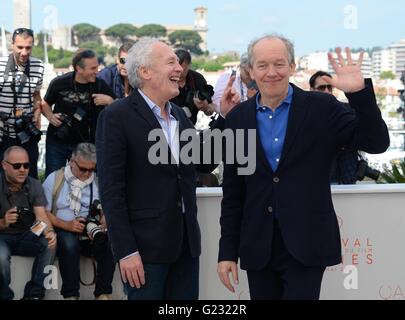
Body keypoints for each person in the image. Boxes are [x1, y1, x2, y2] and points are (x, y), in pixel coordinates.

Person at [217, 34, 390, 300]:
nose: (271, 72)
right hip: (257, 245)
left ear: (292, 66)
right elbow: (233, 193)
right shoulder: (238, 119)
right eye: (262, 65)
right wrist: (227, 252)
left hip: (307, 242)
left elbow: (376, 143)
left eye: (279, 63)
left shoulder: (322, 107)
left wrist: (359, 95)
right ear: (251, 71)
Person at [96, 39, 226, 300]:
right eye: (171, 62)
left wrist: (221, 118)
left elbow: (202, 163)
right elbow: (111, 190)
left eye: (178, 62)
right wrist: (126, 251)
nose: (180, 68)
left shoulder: (178, 114)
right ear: (145, 72)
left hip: (186, 247)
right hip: (144, 252)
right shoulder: (117, 116)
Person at [42, 143, 115, 300]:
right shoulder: (55, 178)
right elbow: (43, 213)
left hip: (90, 231)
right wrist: (66, 225)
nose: (87, 174)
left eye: (91, 169)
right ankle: (71, 295)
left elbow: (107, 208)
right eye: (83, 169)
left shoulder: (97, 182)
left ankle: (102, 293)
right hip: (63, 228)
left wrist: (104, 217)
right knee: (69, 245)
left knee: (109, 243)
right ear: (71, 161)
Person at [41, 49, 116, 177]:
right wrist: (50, 116)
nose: (97, 71)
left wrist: (110, 101)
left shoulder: (100, 85)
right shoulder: (59, 82)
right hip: (57, 142)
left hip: (86, 146)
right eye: (93, 68)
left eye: (97, 67)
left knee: (88, 182)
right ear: (79, 69)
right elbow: (45, 103)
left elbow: (120, 109)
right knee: (53, 180)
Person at [0, 146, 56, 300]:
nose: (22, 170)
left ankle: (34, 295)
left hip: (26, 234)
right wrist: (3, 222)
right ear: (4, 165)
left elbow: (41, 216)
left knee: (49, 244)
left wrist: (49, 232)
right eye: (17, 166)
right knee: (1, 255)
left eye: (26, 165)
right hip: (2, 236)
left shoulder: (34, 184)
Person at [0, 28, 44, 179]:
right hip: (3, 133)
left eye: (28, 48)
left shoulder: (38, 66)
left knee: (29, 178)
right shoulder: (0, 64)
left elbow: (36, 94)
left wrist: (37, 113)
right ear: (12, 44)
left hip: (26, 134)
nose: (24, 52)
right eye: (20, 47)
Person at [310, 71, 359, 184]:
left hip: (347, 175)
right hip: (317, 179)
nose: (327, 91)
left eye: (329, 87)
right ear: (312, 90)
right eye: (322, 87)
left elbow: (361, 134)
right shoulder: (304, 113)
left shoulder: (347, 109)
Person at [170, 49, 215, 125]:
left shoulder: (197, 79)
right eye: (176, 70)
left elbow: (210, 111)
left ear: (189, 65)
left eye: (183, 70)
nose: (179, 73)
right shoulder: (165, 78)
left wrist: (204, 107)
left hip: (190, 128)